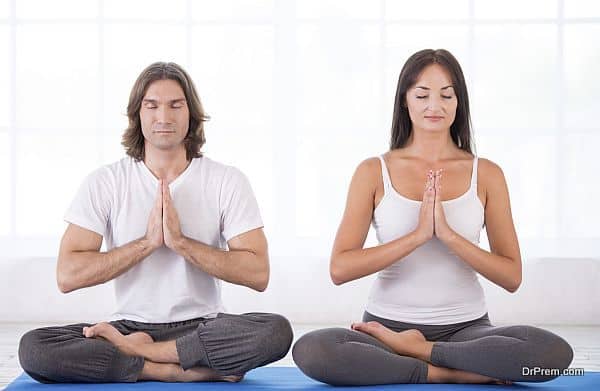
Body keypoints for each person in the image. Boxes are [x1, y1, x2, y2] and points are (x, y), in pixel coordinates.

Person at [292, 49, 573, 386]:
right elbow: (340, 268)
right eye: (422, 95)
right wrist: (418, 236)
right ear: (404, 102)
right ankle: (444, 372)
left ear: (459, 103)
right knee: (314, 350)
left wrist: (450, 236)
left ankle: (424, 353)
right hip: (386, 330)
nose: (434, 106)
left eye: (446, 95)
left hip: (466, 331)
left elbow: (511, 276)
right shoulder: (372, 171)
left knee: (550, 356)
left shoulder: (487, 174)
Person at [18, 62, 293, 383]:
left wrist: (181, 244)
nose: (164, 117)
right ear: (137, 113)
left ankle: (143, 356)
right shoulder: (105, 182)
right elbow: (67, 275)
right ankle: (170, 370)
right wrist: (147, 244)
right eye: (152, 106)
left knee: (275, 331)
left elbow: (258, 274)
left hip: (202, 327)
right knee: (35, 348)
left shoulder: (226, 181)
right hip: (130, 327)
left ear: (191, 113)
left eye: (176, 105)